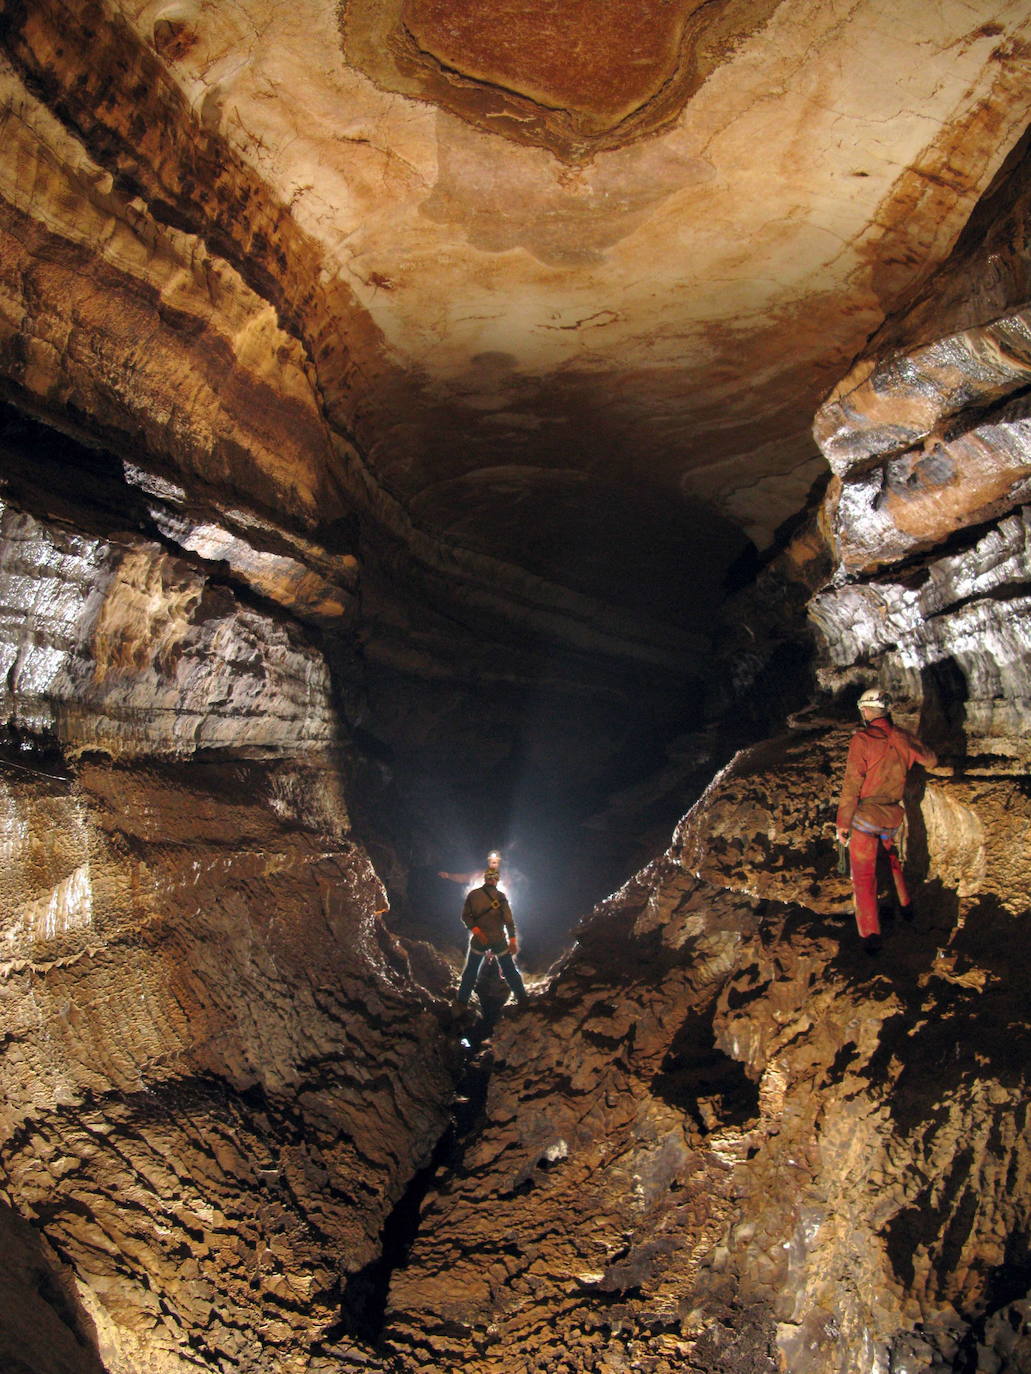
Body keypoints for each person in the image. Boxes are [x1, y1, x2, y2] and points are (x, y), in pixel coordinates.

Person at [836, 687, 937, 953]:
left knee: (864, 877)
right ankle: (907, 908)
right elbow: (932, 760)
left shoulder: (863, 739)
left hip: (866, 818)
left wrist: (843, 824)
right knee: (892, 860)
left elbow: (851, 784)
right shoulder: (904, 737)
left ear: (866, 711)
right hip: (892, 817)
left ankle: (870, 937)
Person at [454, 864, 528, 1011]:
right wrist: (512, 940)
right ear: (496, 880)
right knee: (509, 969)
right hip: (498, 939)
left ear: (485, 878)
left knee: (471, 971)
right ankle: (522, 999)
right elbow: (509, 921)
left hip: (479, 940)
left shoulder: (473, 895)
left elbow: (465, 916)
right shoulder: (501, 897)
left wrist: (477, 931)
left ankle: (461, 1003)